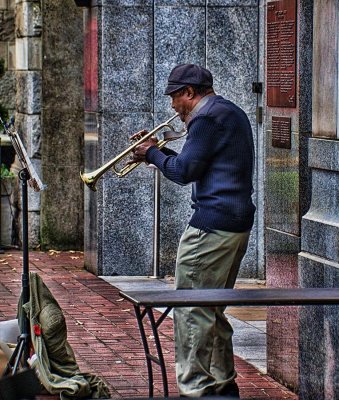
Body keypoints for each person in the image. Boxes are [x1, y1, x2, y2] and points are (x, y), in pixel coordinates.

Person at [132, 64, 256, 398]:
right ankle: (221, 382)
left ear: (189, 92)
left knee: (191, 308)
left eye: (175, 96)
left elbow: (184, 172)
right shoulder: (230, 112)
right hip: (234, 221)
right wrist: (157, 154)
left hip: (211, 226)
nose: (173, 105)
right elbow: (197, 165)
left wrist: (152, 153)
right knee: (211, 307)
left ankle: (196, 389)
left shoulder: (204, 118)